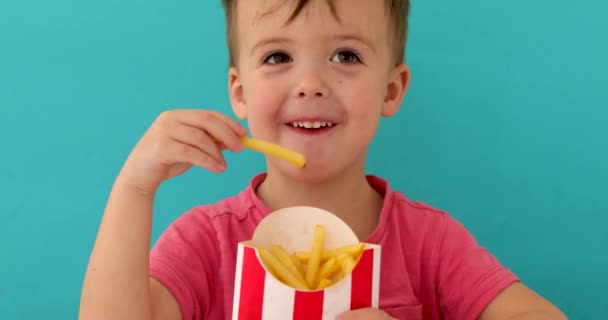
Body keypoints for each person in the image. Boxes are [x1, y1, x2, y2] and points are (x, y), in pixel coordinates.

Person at [79, 0, 567, 319]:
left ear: (392, 90)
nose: (310, 82)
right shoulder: (207, 242)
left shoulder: (431, 245)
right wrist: (134, 188)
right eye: (277, 58)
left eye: (346, 56)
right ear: (239, 92)